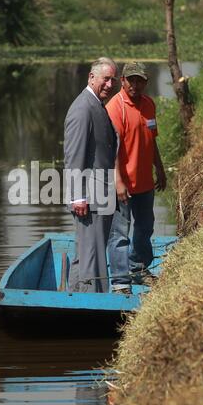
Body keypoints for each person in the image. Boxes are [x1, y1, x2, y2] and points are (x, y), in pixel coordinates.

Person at [106, 62, 167, 293]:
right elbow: (111, 150)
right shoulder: (116, 107)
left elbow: (152, 141)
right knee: (120, 233)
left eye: (139, 80)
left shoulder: (149, 105)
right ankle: (121, 282)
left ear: (145, 82)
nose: (135, 84)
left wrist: (159, 169)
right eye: (130, 80)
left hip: (144, 183)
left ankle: (138, 268)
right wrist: (118, 181)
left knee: (145, 227)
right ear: (122, 81)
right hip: (123, 183)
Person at [64, 57, 118, 293]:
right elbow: (74, 155)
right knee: (92, 260)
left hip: (100, 197)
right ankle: (92, 306)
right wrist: (78, 196)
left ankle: (74, 301)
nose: (109, 84)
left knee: (85, 255)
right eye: (106, 79)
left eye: (113, 80)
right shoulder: (82, 108)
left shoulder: (96, 104)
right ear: (91, 77)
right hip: (90, 199)